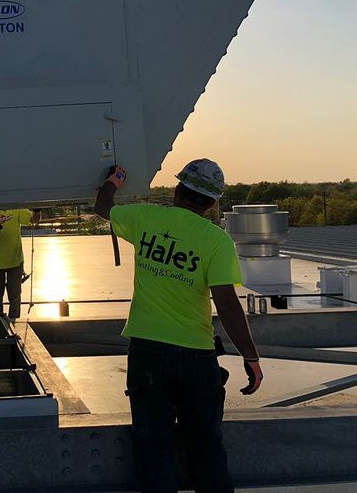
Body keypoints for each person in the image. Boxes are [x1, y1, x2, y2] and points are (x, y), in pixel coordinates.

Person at [95, 160, 263, 493]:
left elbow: (103, 207)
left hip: (147, 354)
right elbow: (227, 306)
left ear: (176, 190)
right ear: (212, 204)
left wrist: (115, 179)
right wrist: (251, 358)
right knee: (205, 445)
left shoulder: (146, 218)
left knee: (152, 447)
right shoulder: (215, 240)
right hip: (197, 357)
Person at [0, 208, 41, 320]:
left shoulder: (15, 206)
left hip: (15, 261)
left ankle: (14, 323)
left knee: (15, 298)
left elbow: (33, 219)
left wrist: (38, 210)